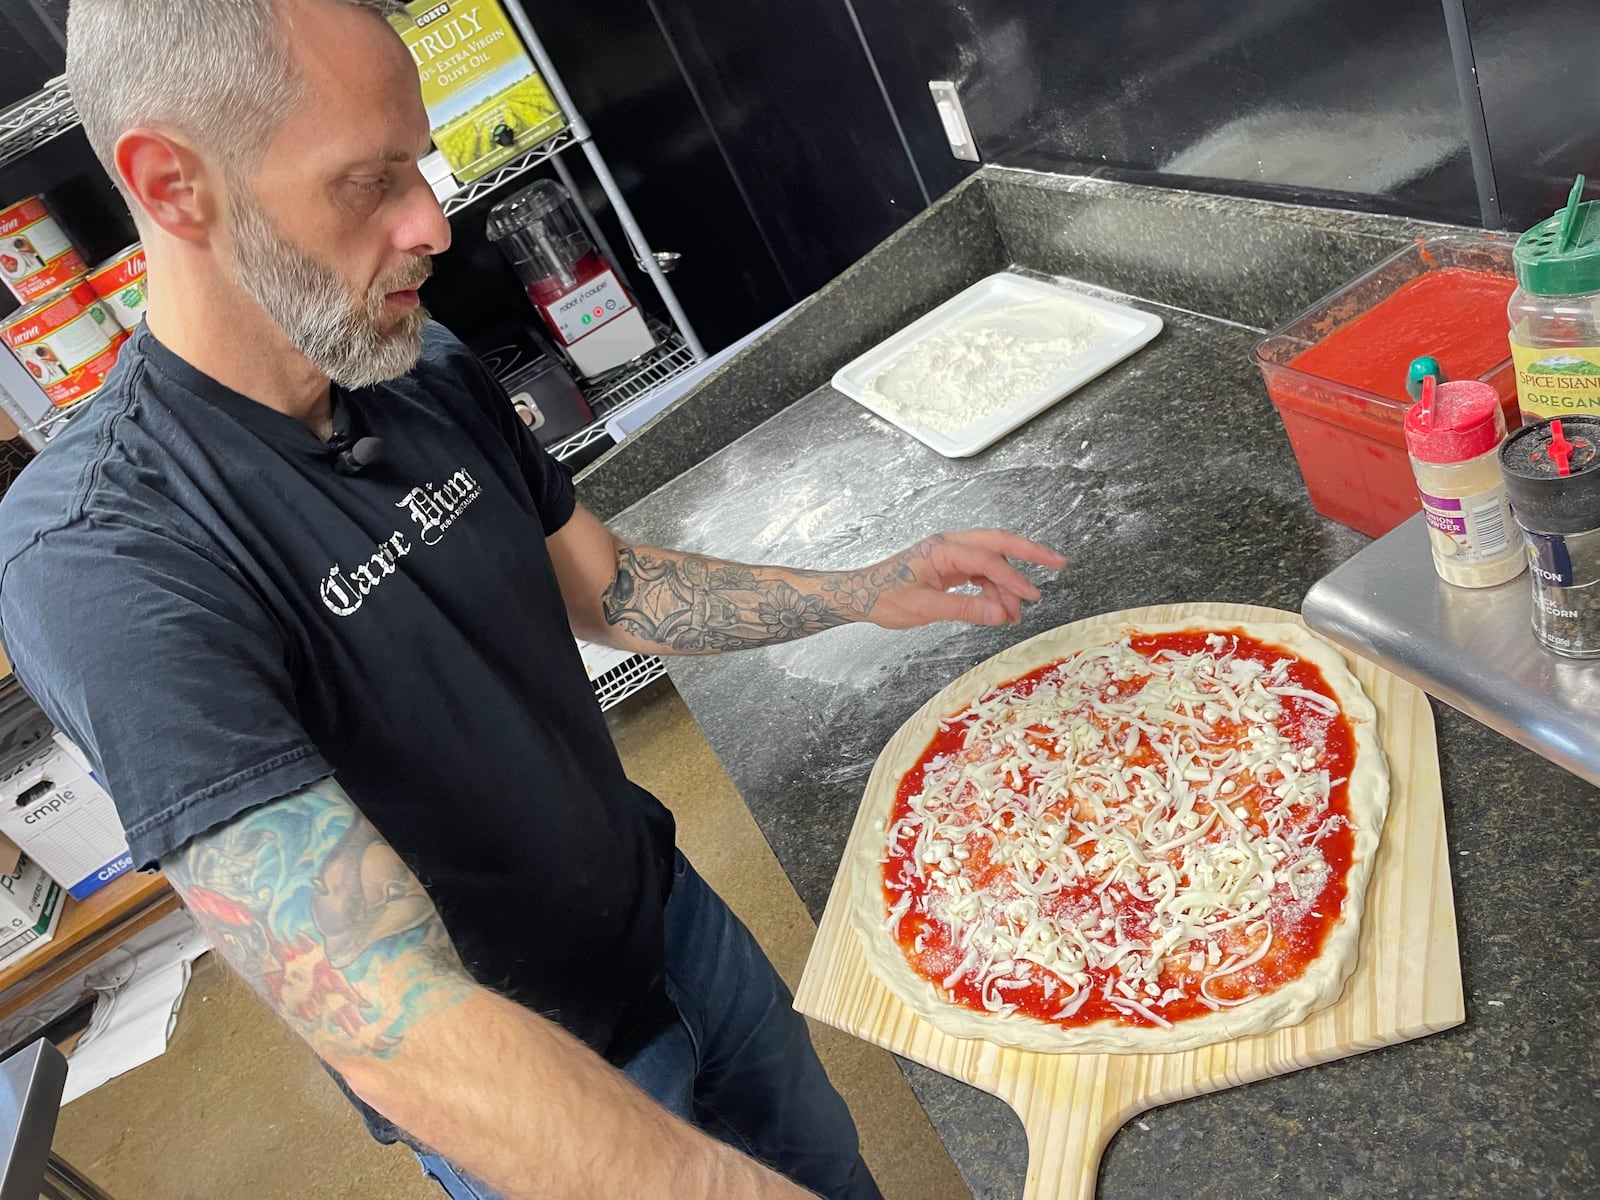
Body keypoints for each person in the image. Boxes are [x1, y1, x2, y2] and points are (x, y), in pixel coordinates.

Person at [0, 2, 1067, 1198]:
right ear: (171, 183)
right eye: (367, 182)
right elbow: (379, 1011)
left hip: (669, 925)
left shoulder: (414, 362)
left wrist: (867, 590)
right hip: (522, 1091)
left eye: (421, 163)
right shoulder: (104, 552)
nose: (431, 225)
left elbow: (610, 587)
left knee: (831, 1163)